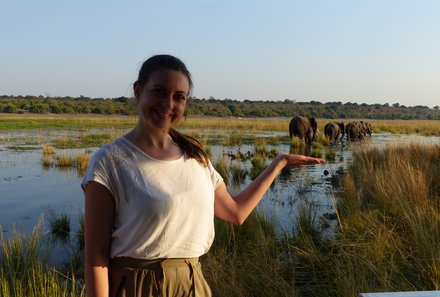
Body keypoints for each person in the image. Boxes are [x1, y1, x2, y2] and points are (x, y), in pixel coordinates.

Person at [82, 54, 325, 297]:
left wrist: (279, 163)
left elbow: (236, 212)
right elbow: (96, 258)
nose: (168, 104)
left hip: (191, 283)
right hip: (137, 285)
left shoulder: (195, 156)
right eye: (159, 91)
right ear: (138, 91)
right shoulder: (109, 161)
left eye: (179, 97)